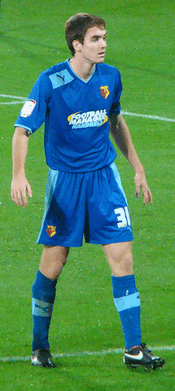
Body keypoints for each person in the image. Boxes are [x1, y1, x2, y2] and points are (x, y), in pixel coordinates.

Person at [11, 13, 165, 370]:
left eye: (104, 37)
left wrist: (137, 166)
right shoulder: (51, 81)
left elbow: (115, 119)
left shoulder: (110, 77)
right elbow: (21, 131)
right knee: (54, 264)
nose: (103, 44)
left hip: (104, 180)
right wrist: (18, 175)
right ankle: (39, 345)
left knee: (122, 257)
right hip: (65, 182)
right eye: (95, 38)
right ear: (76, 44)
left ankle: (134, 348)